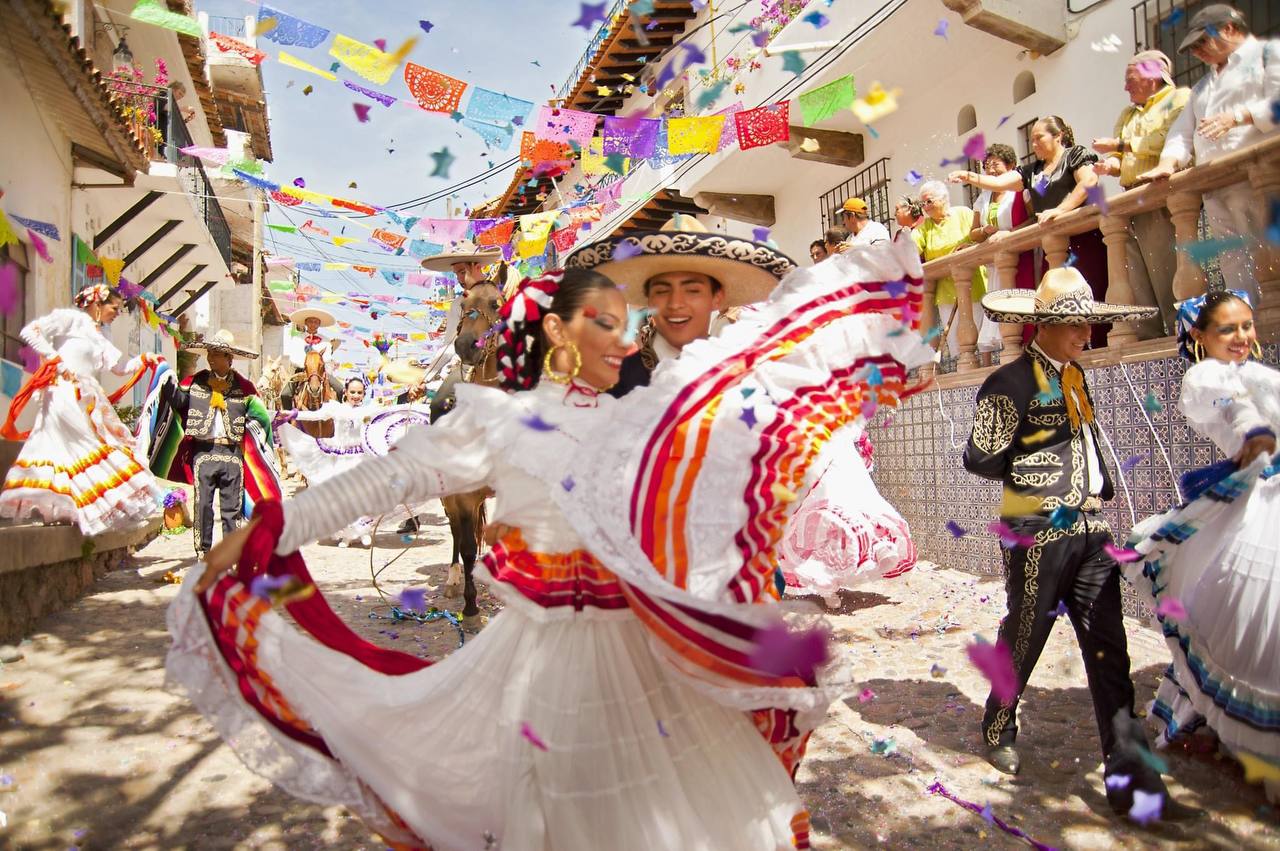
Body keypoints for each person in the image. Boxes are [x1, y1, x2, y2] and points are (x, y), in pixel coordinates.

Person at [167, 245, 935, 849]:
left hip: (653, 657)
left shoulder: (641, 417)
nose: (622, 336)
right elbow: (387, 479)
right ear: (558, 332)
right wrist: (270, 527)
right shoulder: (497, 420)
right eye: (601, 322)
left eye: (620, 322)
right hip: (549, 663)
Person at [963, 267, 1201, 821]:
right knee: (1025, 635)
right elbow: (979, 457)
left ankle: (1134, 784)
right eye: (1074, 324)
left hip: (1092, 531)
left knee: (1110, 652)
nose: (1084, 335)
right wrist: (1034, 459)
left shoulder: (1075, 377)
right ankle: (999, 722)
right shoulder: (1008, 383)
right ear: (1042, 325)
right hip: (1037, 533)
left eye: (1086, 324)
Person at [1124, 289, 1279, 802]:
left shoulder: (1256, 373)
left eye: (1246, 326)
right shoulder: (1204, 377)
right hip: (1256, 503)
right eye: (1227, 329)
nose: (1241, 337)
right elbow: (1233, 409)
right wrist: (1253, 432)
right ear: (1200, 335)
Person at [1138, 4, 1280, 307]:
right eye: (1194, 47)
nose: (1197, 52)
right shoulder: (1201, 88)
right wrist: (1168, 162)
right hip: (1216, 189)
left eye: (1203, 42)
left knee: (1270, 254)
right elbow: (1181, 133)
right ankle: (1248, 323)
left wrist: (1240, 116)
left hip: (1261, 180)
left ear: (1228, 28)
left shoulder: (1269, 56)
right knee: (1233, 262)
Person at [564, 214, 793, 398]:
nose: (675, 303)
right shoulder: (610, 383)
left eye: (692, 290)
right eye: (662, 291)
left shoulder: (748, 376)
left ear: (717, 298)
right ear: (648, 300)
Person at [0, 284, 164, 535]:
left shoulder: (101, 335)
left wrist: (144, 359)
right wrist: (54, 359)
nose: (116, 313)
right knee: (84, 443)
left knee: (62, 449)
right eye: (114, 308)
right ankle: (79, 506)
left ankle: (66, 508)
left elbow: (118, 368)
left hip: (86, 395)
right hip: (63, 391)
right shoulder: (71, 319)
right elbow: (31, 331)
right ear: (97, 304)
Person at [950, 117, 1110, 348]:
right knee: (1056, 301)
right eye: (1031, 139)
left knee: (1089, 295)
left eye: (1038, 138)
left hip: (1082, 239)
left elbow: (1088, 181)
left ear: (1058, 136)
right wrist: (968, 176)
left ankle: (1098, 347)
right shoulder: (1032, 171)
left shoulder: (1074, 155)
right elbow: (1001, 182)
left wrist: (1061, 210)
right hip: (1052, 247)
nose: (1033, 144)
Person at [144, 330, 281, 557]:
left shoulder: (245, 388)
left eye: (216, 354)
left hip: (231, 454)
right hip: (203, 453)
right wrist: (165, 377)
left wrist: (252, 442)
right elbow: (179, 402)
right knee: (203, 507)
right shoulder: (195, 382)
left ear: (229, 358)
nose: (210, 358)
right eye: (209, 353)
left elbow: (261, 419)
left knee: (231, 510)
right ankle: (203, 554)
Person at [1092, 51, 1190, 338]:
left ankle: (1180, 336)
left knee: (1167, 272)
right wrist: (1108, 165)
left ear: (1153, 75)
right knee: (1134, 280)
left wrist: (1120, 146)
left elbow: (1168, 139)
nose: (1125, 87)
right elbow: (1119, 157)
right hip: (1129, 199)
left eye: (1130, 79)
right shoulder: (1127, 114)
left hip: (1159, 195)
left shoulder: (1179, 98)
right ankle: (1148, 340)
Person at [912, 180, 996, 364]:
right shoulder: (925, 227)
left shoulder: (963, 214)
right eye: (922, 203)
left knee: (981, 331)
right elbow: (912, 246)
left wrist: (971, 245)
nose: (925, 207)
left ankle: (987, 367)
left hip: (974, 283)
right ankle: (966, 370)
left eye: (929, 201)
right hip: (946, 292)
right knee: (958, 342)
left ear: (943, 198)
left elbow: (979, 235)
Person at [418, 241, 504, 383]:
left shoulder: (501, 291)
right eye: (456, 273)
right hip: (470, 369)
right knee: (440, 403)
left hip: (507, 362)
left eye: (462, 272)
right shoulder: (458, 304)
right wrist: (425, 378)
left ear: (476, 267)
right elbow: (449, 347)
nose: (459, 278)